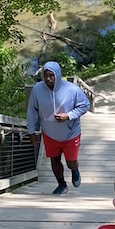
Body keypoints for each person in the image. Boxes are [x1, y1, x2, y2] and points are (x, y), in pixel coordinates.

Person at [27, 61, 90, 196]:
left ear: (58, 75)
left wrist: (68, 116)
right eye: (46, 75)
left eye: (51, 75)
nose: (48, 79)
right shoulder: (37, 90)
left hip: (70, 133)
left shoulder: (72, 89)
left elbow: (85, 105)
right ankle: (62, 185)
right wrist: (31, 131)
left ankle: (75, 170)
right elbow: (32, 110)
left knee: (70, 162)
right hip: (49, 133)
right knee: (54, 160)